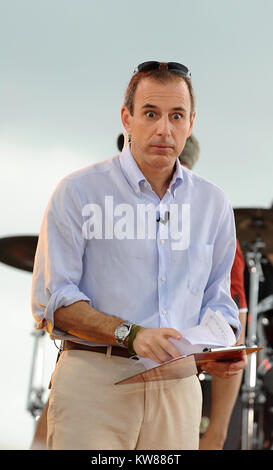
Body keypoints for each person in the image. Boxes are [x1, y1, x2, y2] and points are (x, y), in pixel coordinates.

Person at [31, 61, 247, 450]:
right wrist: (131, 336)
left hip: (178, 388)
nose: (164, 128)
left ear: (191, 123)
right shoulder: (79, 192)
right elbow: (54, 303)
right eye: (151, 114)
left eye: (176, 116)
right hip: (95, 382)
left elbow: (221, 304)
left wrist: (220, 346)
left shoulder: (213, 204)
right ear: (126, 119)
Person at [178, 136, 248, 449]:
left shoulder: (213, 224)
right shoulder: (112, 212)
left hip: (172, 387)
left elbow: (233, 338)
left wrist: (217, 433)